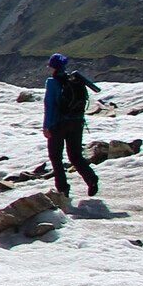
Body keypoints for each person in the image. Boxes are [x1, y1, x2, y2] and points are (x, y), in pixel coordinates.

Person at [42, 52, 104, 198]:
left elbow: (49, 105)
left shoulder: (52, 82)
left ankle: (63, 189)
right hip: (76, 123)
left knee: (55, 157)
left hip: (58, 124)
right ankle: (91, 179)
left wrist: (46, 126)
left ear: (54, 67)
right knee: (75, 156)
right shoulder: (75, 80)